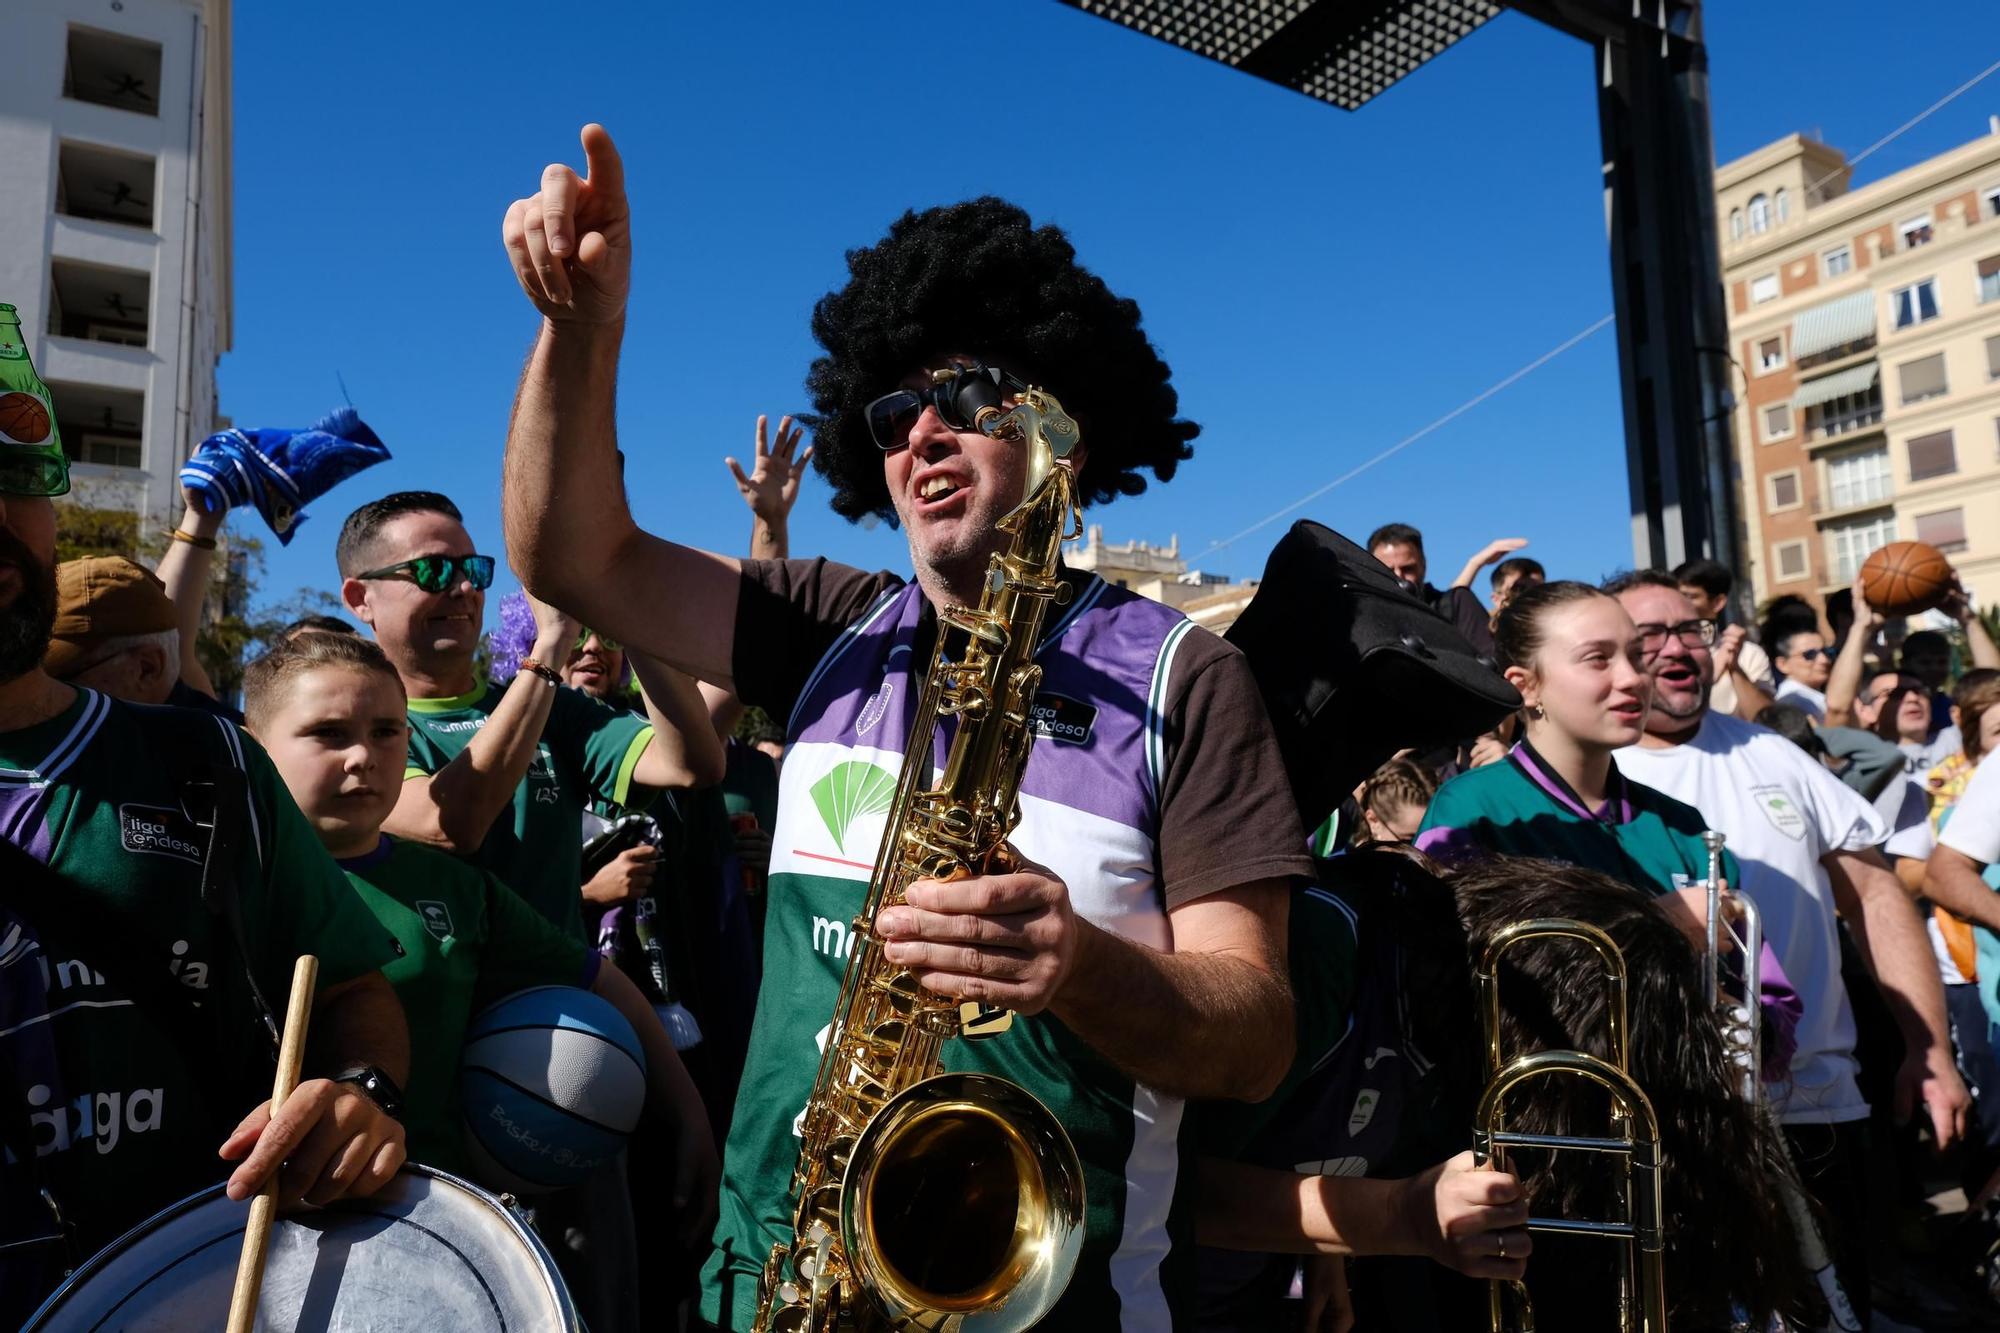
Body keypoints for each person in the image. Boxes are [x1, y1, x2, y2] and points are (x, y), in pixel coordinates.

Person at [500, 125, 1310, 1330]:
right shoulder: (824, 620)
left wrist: (1078, 968)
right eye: (889, 413)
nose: (919, 433)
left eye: (965, 397)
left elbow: (1254, 1038)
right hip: (777, 1279)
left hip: (1040, 1293)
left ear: (1061, 432)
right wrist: (581, 327)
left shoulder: (1187, 678)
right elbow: (570, 555)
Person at [0, 452, 410, 1324]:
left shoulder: (210, 767)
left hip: (209, 1289)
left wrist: (360, 1093)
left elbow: (352, 990)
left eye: (14, 475)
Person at [241, 629, 720, 1221]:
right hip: (257, 1219)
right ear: (252, 746)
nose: (363, 755)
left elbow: (598, 979)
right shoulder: (225, 885)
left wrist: (688, 1113)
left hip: (439, 1218)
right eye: (328, 734)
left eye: (387, 732)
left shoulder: (459, 890)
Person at [1606, 569, 1968, 1321]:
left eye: (1691, 631)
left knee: (1831, 1311)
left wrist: (1926, 1050)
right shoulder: (1589, 772)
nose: (1678, 648)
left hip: (1815, 1107)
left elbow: (1873, 892)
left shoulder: (1773, 754)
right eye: (1652, 635)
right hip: (1671, 1118)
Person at [334, 491, 724, 940]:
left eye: (475, 570)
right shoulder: (351, 730)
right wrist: (551, 646)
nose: (464, 589)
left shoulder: (556, 709)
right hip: (420, 1003)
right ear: (360, 597)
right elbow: (449, 825)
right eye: (433, 571)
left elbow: (693, 763)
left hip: (553, 995)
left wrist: (624, 609)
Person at [1367, 522, 1496, 656]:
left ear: (1423, 565)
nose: (1399, 577)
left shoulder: (1457, 605)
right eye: (1388, 570)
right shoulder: (1364, 616)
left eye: (1408, 569)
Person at [1674, 556, 1774, 721]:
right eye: (1676, 596)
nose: (1679, 604)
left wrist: (1734, 667)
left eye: (1689, 596)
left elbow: (1765, 721)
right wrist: (1712, 675)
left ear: (1718, 603)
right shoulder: (1663, 651)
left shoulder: (1749, 654)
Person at [1771, 624, 1833, 721]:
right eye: (1809, 655)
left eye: (1826, 652)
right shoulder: (1792, 702)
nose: (1824, 660)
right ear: (1783, 664)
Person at [1486, 554, 1543, 625]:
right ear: (1496, 598)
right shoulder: (1481, 627)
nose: (1530, 596)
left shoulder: (1553, 626)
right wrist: (1475, 564)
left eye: (1539, 590)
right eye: (1519, 589)